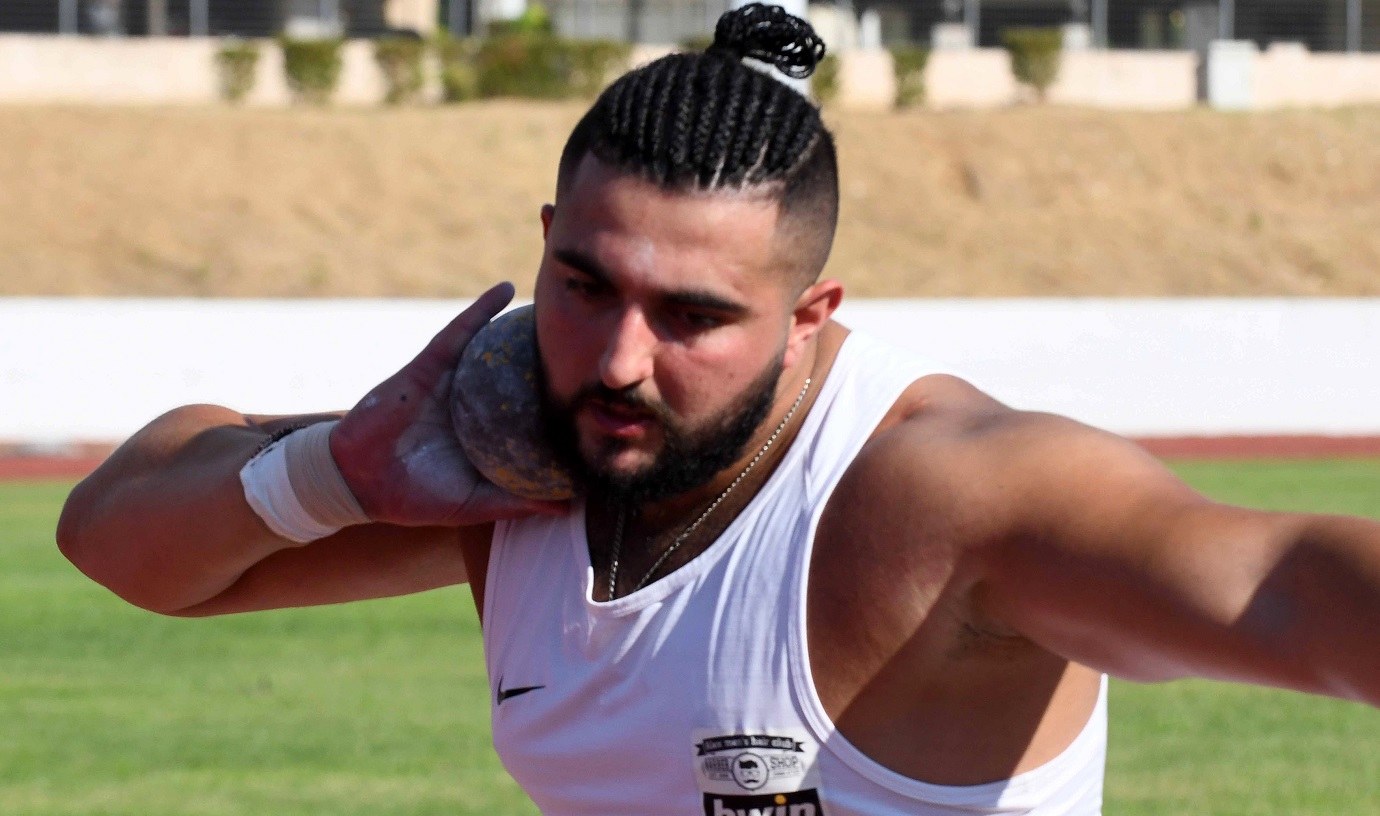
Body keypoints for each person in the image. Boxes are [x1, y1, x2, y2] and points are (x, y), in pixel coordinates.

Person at [58, 5, 1379, 814]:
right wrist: (332, 480)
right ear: (544, 241)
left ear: (810, 314)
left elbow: (1284, 586)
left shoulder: (941, 497)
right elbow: (120, 542)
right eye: (583, 285)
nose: (617, 360)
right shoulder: (521, 451)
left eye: (692, 316)